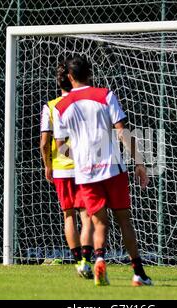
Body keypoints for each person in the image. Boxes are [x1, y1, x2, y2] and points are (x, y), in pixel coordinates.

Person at [53, 56, 153, 286]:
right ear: (89, 73)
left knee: (99, 223)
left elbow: (60, 147)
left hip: (86, 173)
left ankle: (99, 260)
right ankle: (138, 273)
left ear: (69, 77)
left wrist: (79, 156)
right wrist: (139, 162)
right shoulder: (105, 95)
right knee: (124, 221)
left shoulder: (61, 106)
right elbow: (122, 132)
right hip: (113, 169)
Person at [40, 63, 94, 278]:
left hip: (62, 168)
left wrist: (48, 164)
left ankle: (77, 260)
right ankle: (86, 260)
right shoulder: (85, 104)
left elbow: (44, 142)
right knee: (87, 214)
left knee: (68, 215)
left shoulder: (51, 106)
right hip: (84, 165)